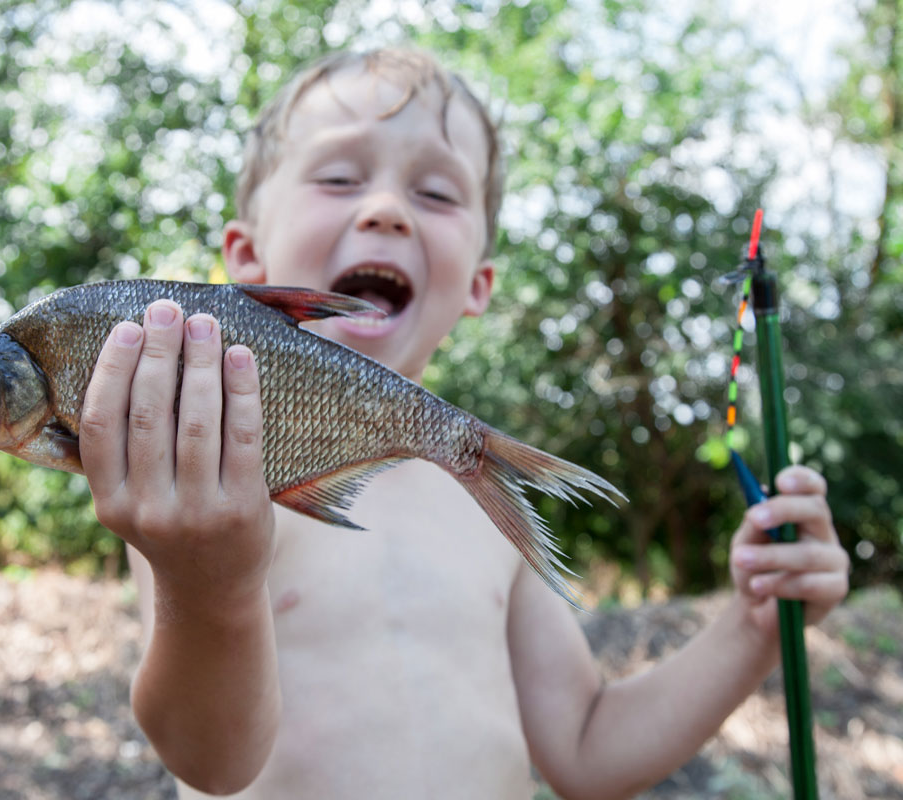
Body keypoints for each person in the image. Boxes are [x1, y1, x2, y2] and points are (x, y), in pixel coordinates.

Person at [76, 49, 850, 799]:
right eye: (340, 177)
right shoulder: (197, 480)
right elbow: (213, 765)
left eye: (438, 195)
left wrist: (753, 622)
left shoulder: (481, 491)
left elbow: (588, 750)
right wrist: (210, 588)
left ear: (479, 282)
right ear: (244, 256)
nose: (385, 210)